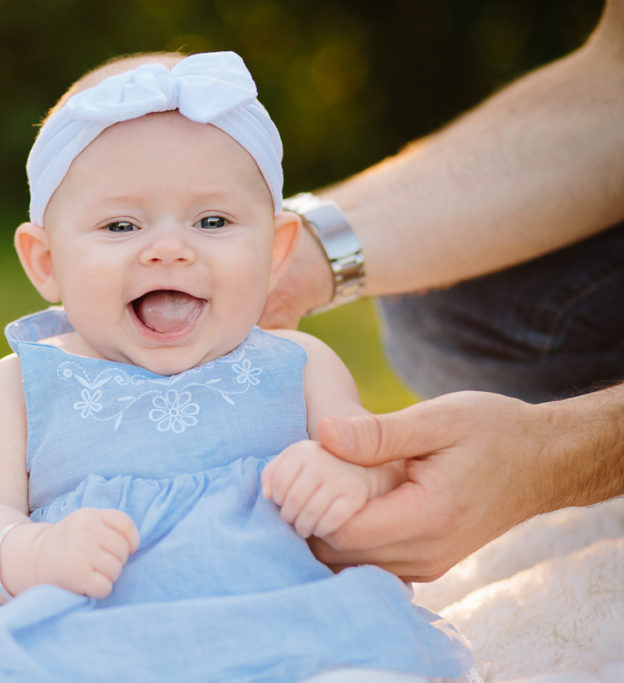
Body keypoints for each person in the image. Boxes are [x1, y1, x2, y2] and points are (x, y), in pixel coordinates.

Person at [0, 52, 475, 682]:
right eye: (122, 226)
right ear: (46, 262)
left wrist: (347, 477)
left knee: (369, 651)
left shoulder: (301, 365)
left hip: (278, 611)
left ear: (276, 248)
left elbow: (373, 458)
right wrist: (35, 552)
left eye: (212, 221)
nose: (169, 250)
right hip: (82, 621)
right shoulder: (23, 386)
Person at [261, 0, 624, 582]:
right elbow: (616, 74)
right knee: (429, 299)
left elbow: (354, 447)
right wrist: (304, 254)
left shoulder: (303, 365)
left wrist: (560, 453)